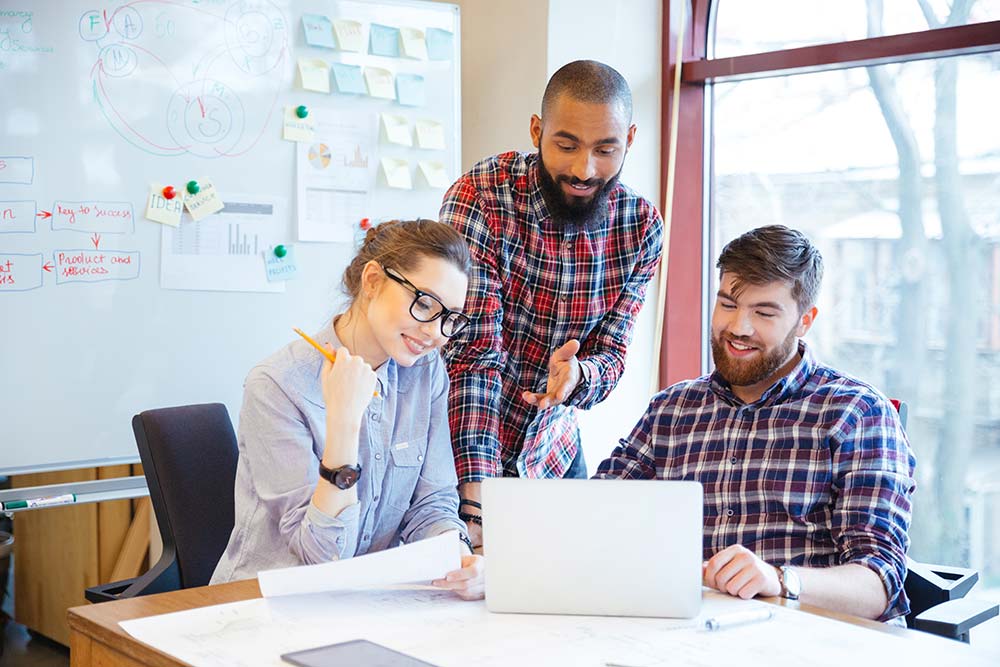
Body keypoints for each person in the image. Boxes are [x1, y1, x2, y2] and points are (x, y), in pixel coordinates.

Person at [595, 225, 916, 622]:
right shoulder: (672, 410)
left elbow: (878, 587)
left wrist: (778, 581)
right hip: (683, 635)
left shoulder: (857, 413)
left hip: (805, 643)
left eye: (764, 313)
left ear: (804, 321)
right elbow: (594, 516)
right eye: (728, 304)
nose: (738, 328)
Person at [439, 60, 664, 546]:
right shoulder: (481, 196)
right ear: (537, 131)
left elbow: (613, 354)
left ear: (630, 139)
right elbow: (472, 355)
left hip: (552, 454)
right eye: (566, 146)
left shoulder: (641, 227)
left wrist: (581, 377)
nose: (585, 170)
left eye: (606, 149)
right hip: (457, 449)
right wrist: (477, 501)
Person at [211, 219, 484, 600]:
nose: (436, 332)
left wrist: (457, 554)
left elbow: (432, 502)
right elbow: (323, 557)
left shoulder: (426, 373)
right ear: (372, 281)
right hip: (263, 604)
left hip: (363, 601)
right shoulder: (276, 385)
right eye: (424, 304)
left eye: (450, 317)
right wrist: (343, 421)